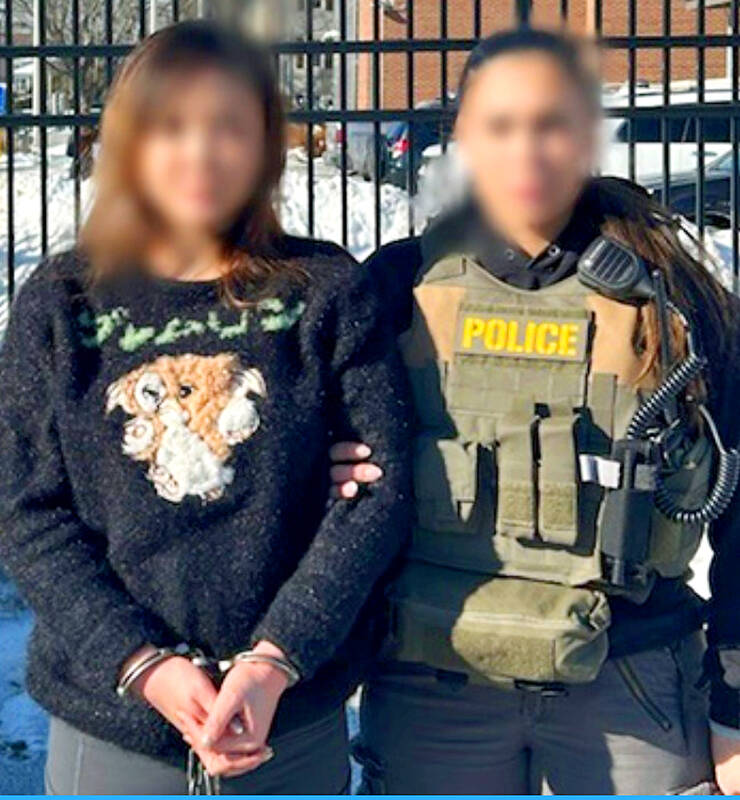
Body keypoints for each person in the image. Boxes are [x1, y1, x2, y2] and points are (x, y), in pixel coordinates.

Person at [0, 21, 412, 796]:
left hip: (289, 719)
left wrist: (277, 657)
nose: (201, 151)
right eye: (172, 126)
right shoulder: (60, 301)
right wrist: (140, 663)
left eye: (228, 125)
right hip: (114, 724)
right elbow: (27, 511)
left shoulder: (325, 292)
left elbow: (375, 494)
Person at [330, 28, 740, 795]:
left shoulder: (668, 293)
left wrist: (735, 702)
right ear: (462, 134)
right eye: (500, 124)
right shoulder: (393, 288)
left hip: (631, 682)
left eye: (551, 123)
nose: (526, 151)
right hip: (434, 683)